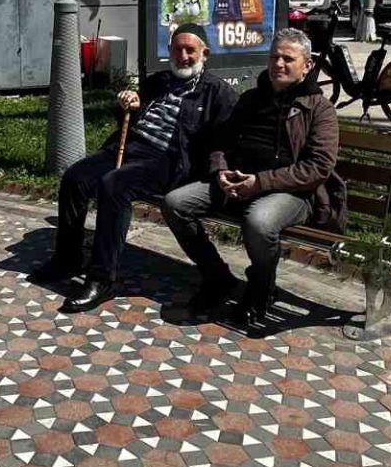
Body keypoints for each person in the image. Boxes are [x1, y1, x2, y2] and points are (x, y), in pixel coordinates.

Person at [36, 24, 239, 315]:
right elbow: (128, 119)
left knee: (114, 185)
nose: (183, 56)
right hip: (130, 146)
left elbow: (225, 139)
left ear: (204, 53)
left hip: (168, 160)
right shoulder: (158, 82)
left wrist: (217, 170)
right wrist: (125, 105)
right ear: (169, 51)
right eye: (177, 49)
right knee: (75, 178)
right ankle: (67, 259)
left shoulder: (217, 92)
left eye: (190, 50)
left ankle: (102, 279)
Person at [161, 28, 344, 330]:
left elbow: (317, 168)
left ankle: (261, 288)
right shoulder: (251, 99)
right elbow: (221, 142)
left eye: (288, 59)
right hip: (237, 182)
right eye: (274, 57)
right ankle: (217, 276)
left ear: (307, 65)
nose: (278, 64)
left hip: (292, 192)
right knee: (175, 203)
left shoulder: (319, 109)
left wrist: (260, 182)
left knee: (259, 222)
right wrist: (221, 171)